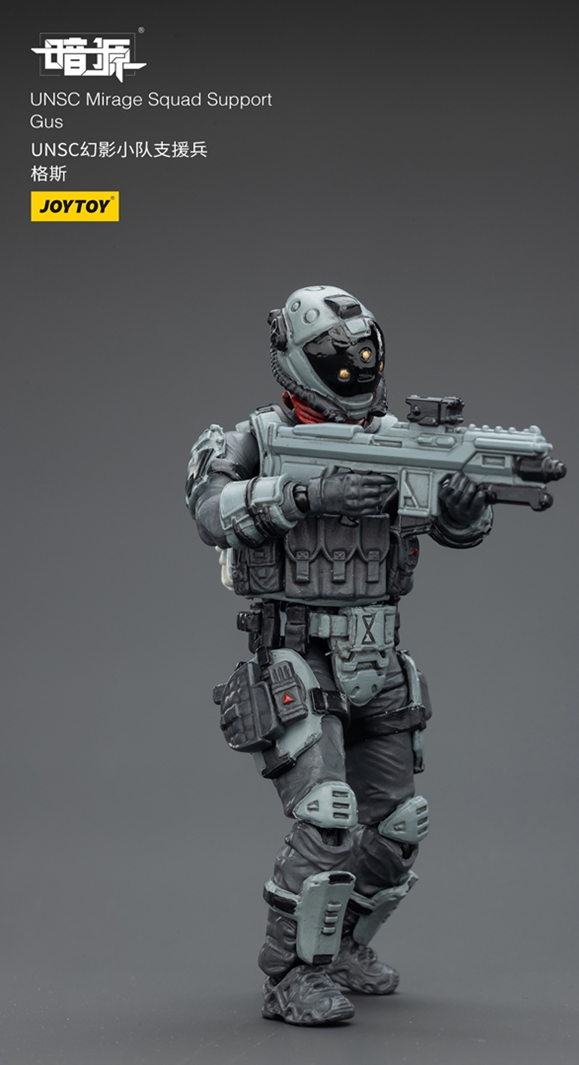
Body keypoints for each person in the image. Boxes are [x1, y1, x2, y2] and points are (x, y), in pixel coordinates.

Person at [186, 285, 493, 1025]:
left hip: (378, 653)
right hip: (296, 652)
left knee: (399, 822)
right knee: (328, 815)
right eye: (337, 358)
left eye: (363, 356)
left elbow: (458, 529)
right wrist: (305, 496)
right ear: (298, 360)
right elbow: (209, 510)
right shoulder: (253, 439)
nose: (354, 369)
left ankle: (345, 944)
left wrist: (461, 507)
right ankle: (292, 974)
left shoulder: (399, 439)